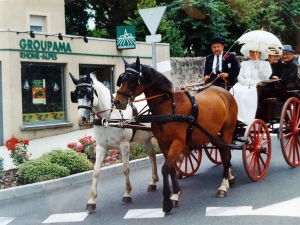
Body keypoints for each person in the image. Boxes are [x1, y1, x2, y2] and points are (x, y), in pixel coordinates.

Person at [229, 42, 272, 125]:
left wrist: (259, 67)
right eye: (251, 51)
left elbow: (265, 77)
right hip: (244, 84)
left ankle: (244, 117)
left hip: (257, 84)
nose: (252, 54)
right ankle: (234, 115)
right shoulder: (244, 64)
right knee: (233, 90)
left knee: (245, 94)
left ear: (259, 53)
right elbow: (240, 76)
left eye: (254, 52)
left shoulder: (265, 64)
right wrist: (244, 82)